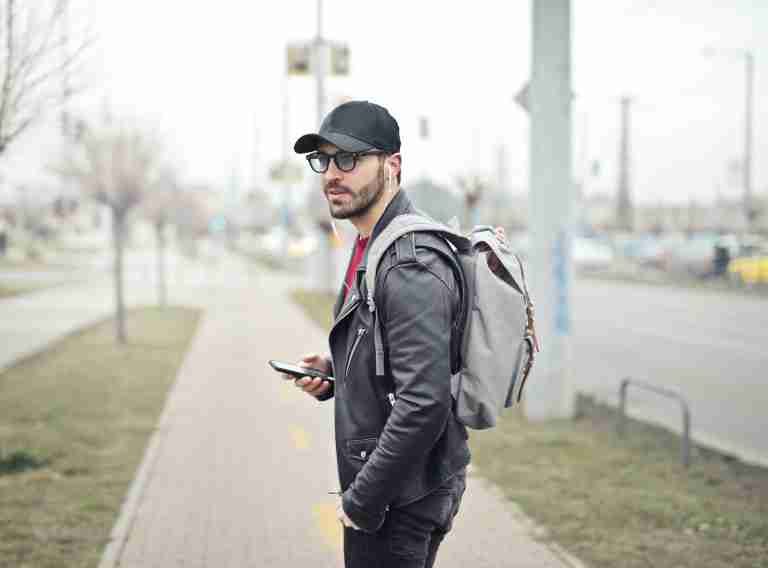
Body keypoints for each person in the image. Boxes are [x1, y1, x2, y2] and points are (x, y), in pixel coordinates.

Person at [287, 100, 470, 568]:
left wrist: (362, 499)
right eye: (323, 160)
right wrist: (335, 376)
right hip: (395, 487)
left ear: (393, 166)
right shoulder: (373, 244)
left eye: (348, 158)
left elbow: (423, 401)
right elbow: (394, 360)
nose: (332, 173)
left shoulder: (409, 262)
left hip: (398, 498)